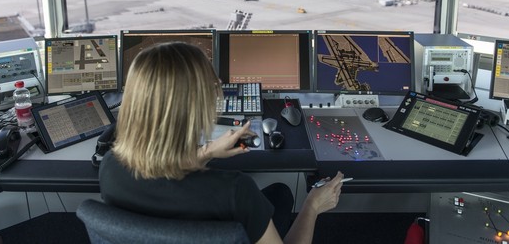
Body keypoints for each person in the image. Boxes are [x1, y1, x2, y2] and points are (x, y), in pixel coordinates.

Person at [99, 42, 345, 244]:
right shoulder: (235, 191)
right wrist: (312, 206)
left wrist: (206, 152)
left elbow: (161, 174)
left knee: (278, 195)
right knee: (281, 194)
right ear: (199, 109)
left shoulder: (109, 167)